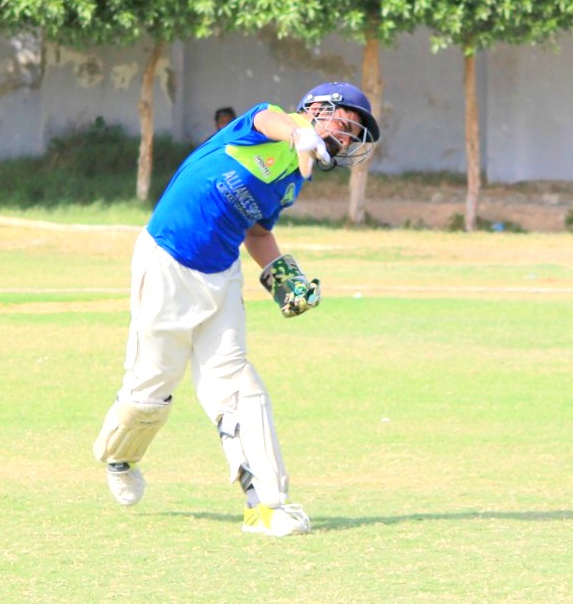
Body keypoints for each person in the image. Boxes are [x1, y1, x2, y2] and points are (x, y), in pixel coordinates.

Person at [93, 81, 380, 537]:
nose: (346, 139)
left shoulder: (294, 178)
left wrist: (284, 278)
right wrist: (298, 134)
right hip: (167, 257)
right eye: (345, 124)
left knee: (238, 386)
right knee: (151, 389)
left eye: (353, 136)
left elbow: (258, 232)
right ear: (316, 108)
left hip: (222, 274)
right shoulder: (268, 125)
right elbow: (269, 118)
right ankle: (119, 456)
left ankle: (266, 507)